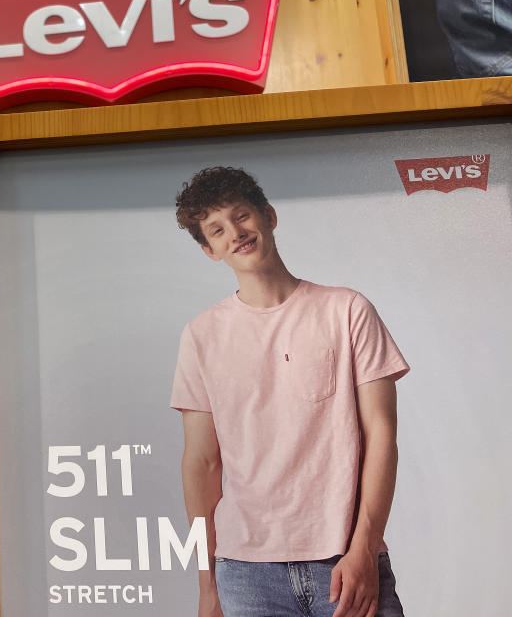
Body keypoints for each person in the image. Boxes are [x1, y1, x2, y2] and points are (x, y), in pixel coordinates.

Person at [170, 167, 409, 617]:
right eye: (218, 230)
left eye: (242, 216)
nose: (236, 233)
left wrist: (364, 548)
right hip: (244, 574)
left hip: (344, 561)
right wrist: (207, 585)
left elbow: (382, 435)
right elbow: (201, 464)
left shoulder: (347, 310)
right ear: (209, 250)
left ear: (269, 216)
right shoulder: (200, 336)